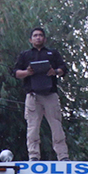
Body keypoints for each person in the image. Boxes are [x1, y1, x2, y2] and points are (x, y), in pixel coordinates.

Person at [14, 26, 69, 161]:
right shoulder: (25, 55)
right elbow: (15, 72)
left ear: (44, 38)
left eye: (40, 35)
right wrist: (27, 73)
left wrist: (54, 72)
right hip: (33, 96)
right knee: (32, 127)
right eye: (35, 35)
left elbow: (63, 68)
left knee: (56, 126)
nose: (38, 37)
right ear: (31, 39)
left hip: (50, 94)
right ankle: (33, 156)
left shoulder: (52, 53)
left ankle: (63, 156)